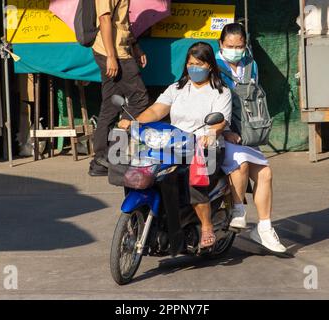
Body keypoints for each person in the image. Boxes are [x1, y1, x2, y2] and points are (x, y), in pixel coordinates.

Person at [119, 42, 232, 249]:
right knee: (139, 169)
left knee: (193, 181)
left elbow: (220, 121)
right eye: (190, 63)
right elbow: (156, 111)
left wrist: (211, 133)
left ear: (209, 66)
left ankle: (206, 226)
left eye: (199, 63)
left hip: (205, 147)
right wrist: (136, 122)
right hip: (173, 143)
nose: (194, 68)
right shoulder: (177, 88)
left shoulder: (221, 92)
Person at [217, 23, 287, 253]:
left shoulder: (251, 65)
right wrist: (223, 130)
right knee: (241, 164)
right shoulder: (213, 65)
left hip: (245, 134)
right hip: (220, 132)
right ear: (221, 44)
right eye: (230, 46)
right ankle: (238, 209)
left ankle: (264, 228)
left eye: (240, 46)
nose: (235, 51)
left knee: (266, 173)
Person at [89, 0, 150, 176]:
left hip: (119, 49)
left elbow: (122, 21)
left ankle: (100, 161)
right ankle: (112, 154)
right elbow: (105, 20)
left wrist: (136, 48)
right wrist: (111, 56)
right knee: (140, 99)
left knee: (110, 105)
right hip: (114, 53)